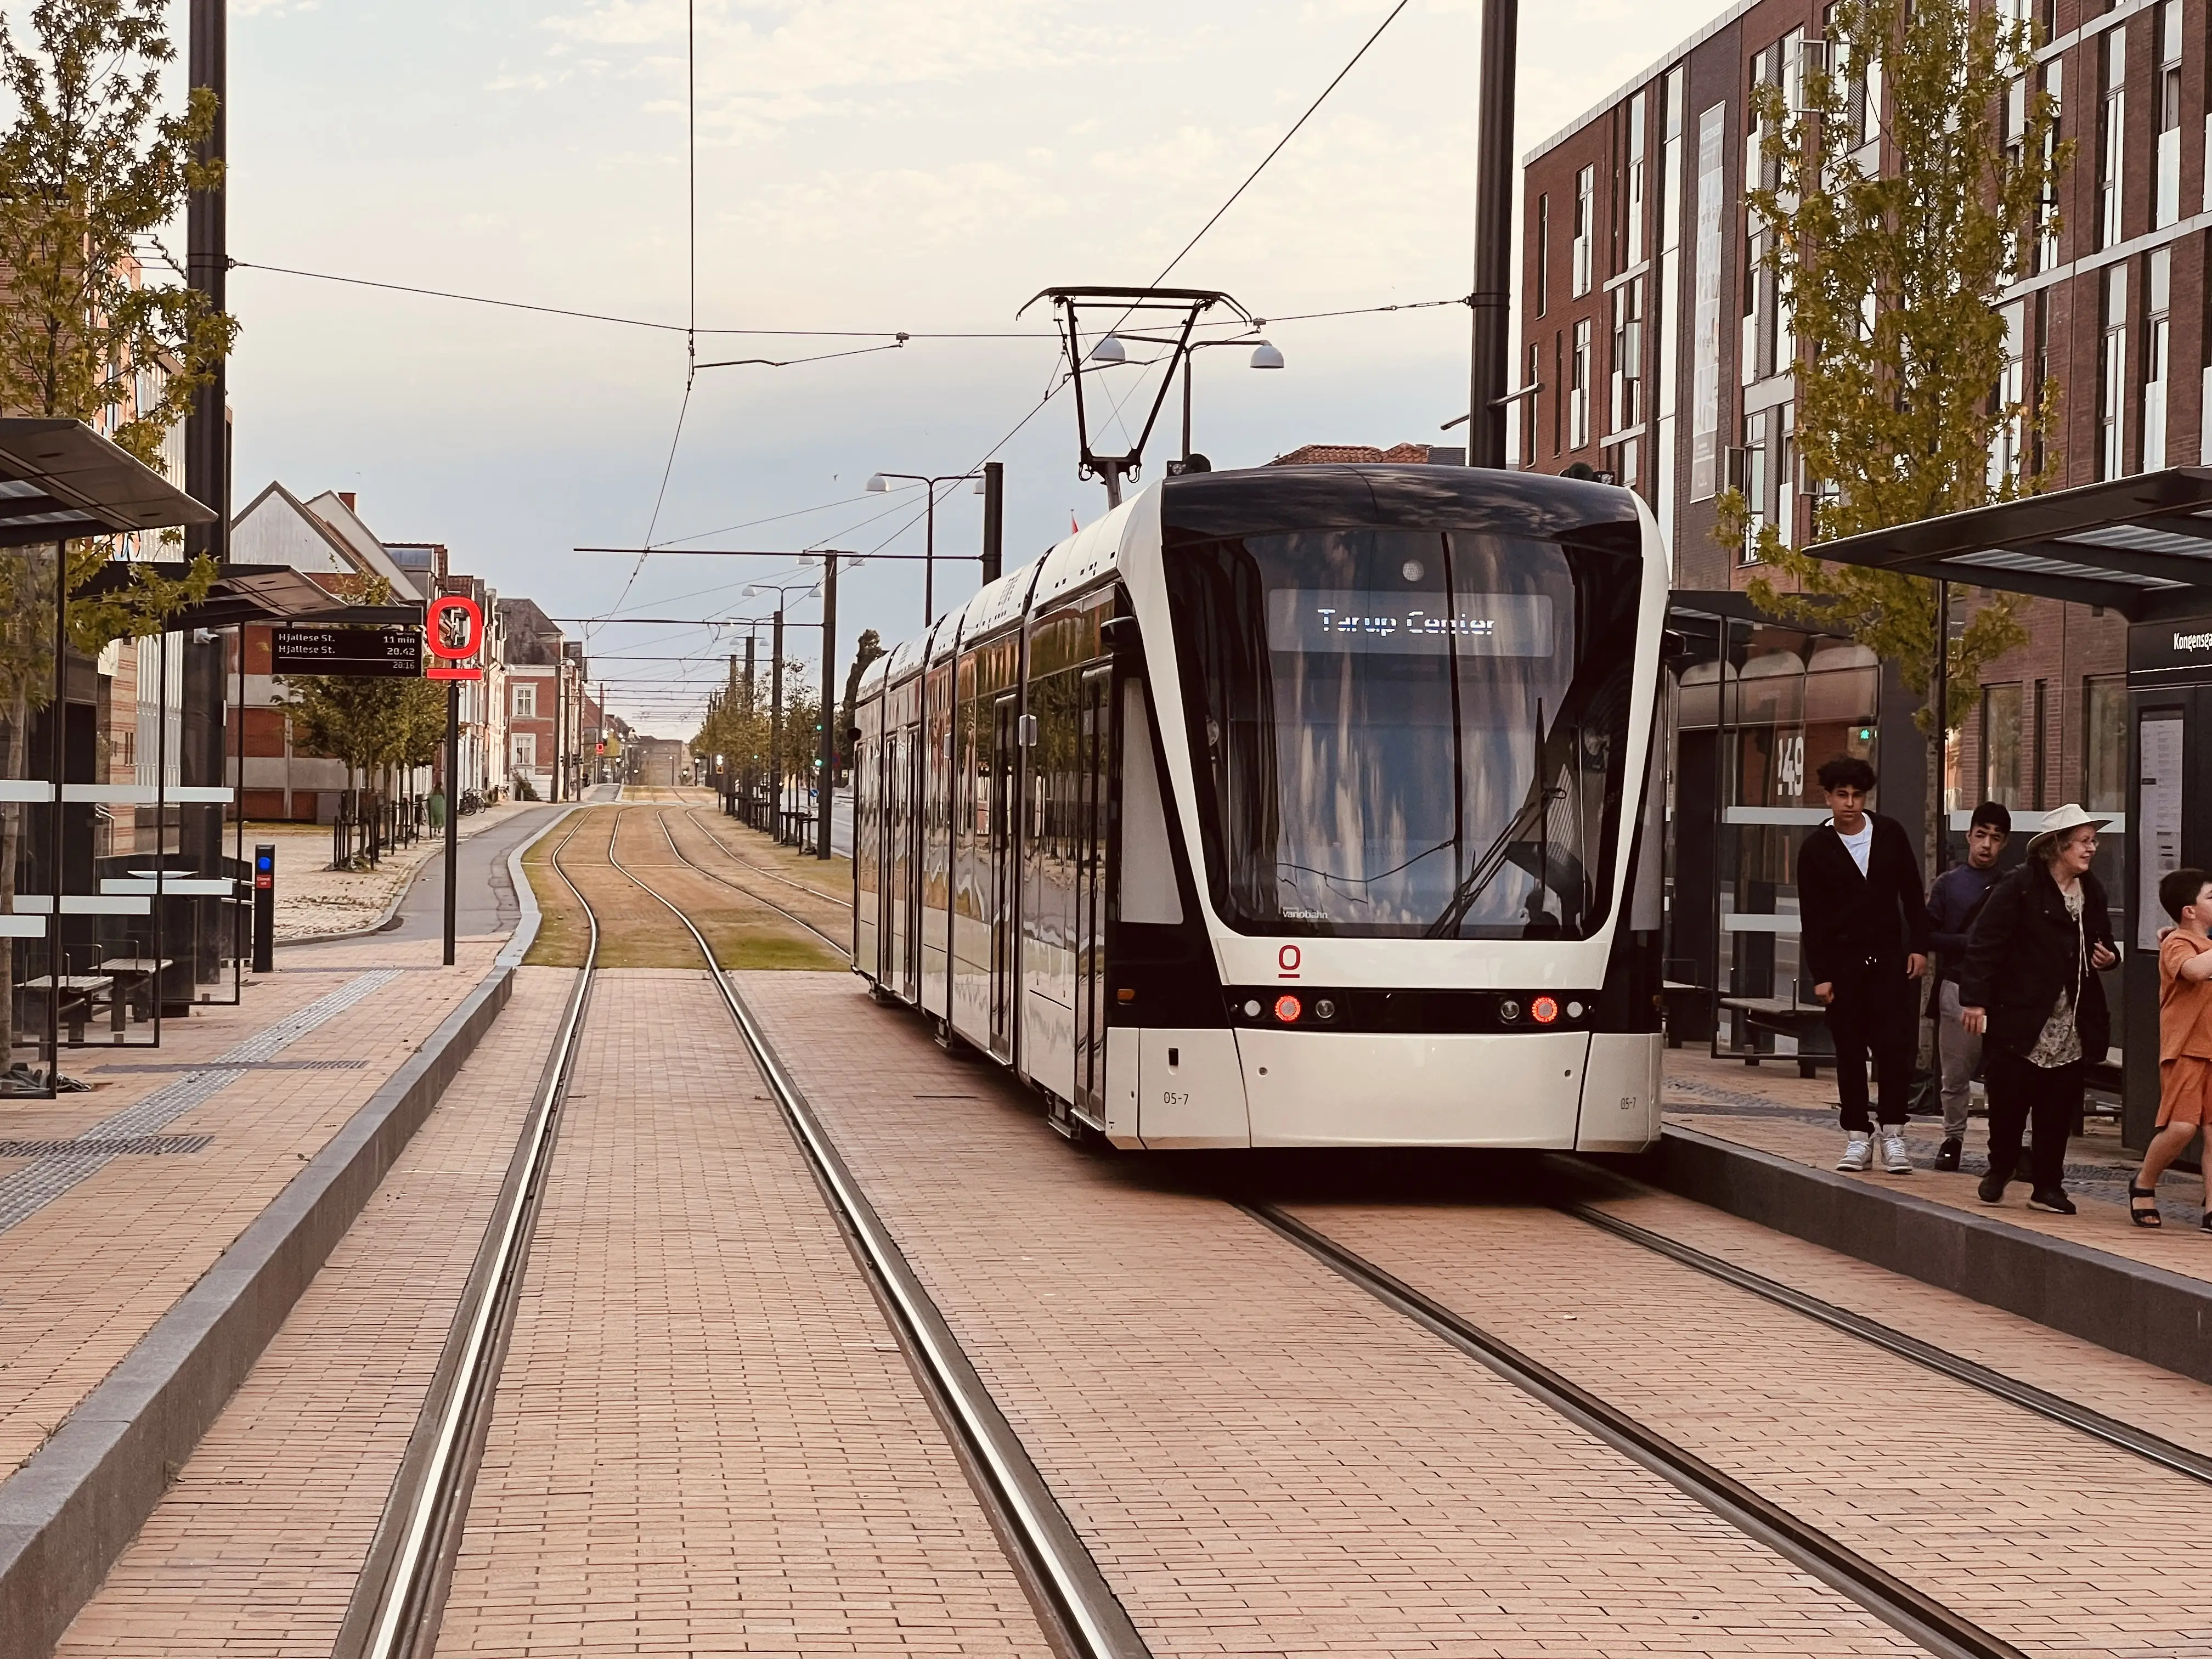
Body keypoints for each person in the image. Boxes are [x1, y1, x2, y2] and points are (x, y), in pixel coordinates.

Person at [1957, 804, 2119, 1215]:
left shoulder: (2092, 890)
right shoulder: (2021, 886)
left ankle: (2048, 1186)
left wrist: (2109, 957)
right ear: (2058, 846)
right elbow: (1985, 943)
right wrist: (1975, 999)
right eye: (2084, 841)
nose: (2092, 849)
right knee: (2009, 1100)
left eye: (2093, 841)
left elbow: (2103, 941)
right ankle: (2001, 1167)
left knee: (2057, 1105)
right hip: (2021, 1014)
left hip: (2072, 1019)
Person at [1797, 754, 1931, 1175]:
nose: (1850, 803)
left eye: (1857, 795)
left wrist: (1920, 947)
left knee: (1894, 1049)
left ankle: (1894, 1133)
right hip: (1843, 964)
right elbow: (1812, 917)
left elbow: (1913, 893)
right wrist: (1822, 975)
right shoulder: (1815, 849)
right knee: (1850, 1052)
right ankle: (1858, 1136)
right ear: (1828, 798)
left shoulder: (1890, 834)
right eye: (1842, 796)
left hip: (1890, 960)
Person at [1926, 802, 2012, 1171]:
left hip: (2001, 992)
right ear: (1969, 836)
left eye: (1995, 838)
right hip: (1957, 987)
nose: (1987, 845)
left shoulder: (2012, 885)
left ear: (2004, 843)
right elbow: (1927, 933)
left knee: (2003, 1074)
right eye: (1981, 836)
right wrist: (1966, 944)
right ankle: (1953, 1138)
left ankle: (2002, 1147)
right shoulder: (1949, 884)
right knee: (1956, 1071)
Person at [2128, 867, 2212, 1229]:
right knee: (2181, 1128)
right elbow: (2193, 972)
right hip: (2186, 1049)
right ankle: (2144, 1181)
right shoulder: (2178, 942)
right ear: (2188, 911)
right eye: (2211, 897)